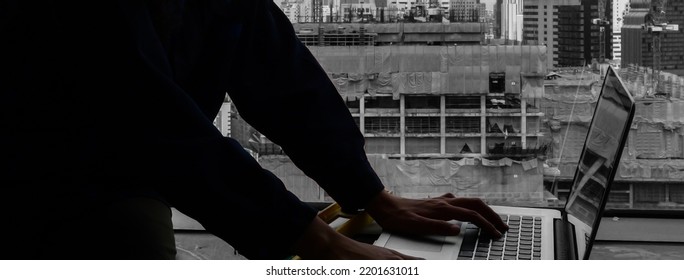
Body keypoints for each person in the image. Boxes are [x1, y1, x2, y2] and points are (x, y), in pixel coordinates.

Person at [0, 0, 507, 259]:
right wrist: (322, 247)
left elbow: (275, 69)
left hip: (130, 163)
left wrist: (372, 194)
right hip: (51, 177)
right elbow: (149, 121)